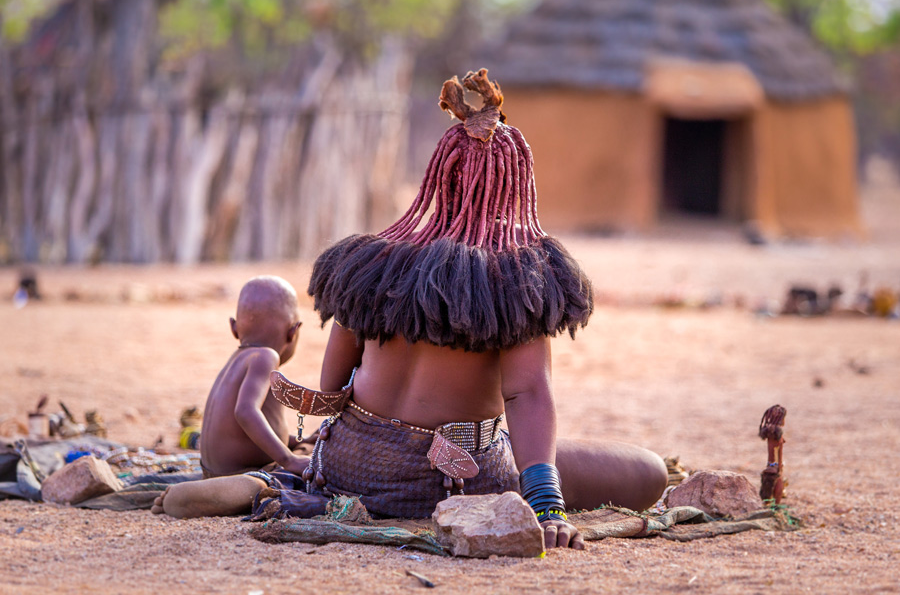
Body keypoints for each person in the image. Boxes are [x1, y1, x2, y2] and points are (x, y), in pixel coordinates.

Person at [152, 71, 667, 550]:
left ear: (439, 175)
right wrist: (546, 506)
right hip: (449, 475)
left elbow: (333, 388)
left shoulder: (374, 261)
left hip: (348, 463)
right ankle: (528, 483)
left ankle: (275, 481)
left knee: (524, 447)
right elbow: (528, 392)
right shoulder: (515, 278)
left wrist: (313, 454)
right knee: (647, 472)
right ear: (517, 183)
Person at [165, 276, 307, 486]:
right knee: (315, 462)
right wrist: (289, 460)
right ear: (293, 332)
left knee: (308, 447)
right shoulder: (266, 357)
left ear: (234, 328)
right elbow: (245, 412)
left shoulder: (238, 359)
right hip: (240, 476)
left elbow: (247, 429)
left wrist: (296, 441)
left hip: (212, 471)